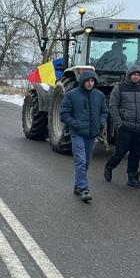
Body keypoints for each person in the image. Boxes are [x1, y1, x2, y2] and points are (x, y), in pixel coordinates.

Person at [104, 64, 140, 189]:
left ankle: (132, 178)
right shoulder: (119, 88)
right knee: (120, 152)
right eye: (134, 74)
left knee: (136, 153)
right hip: (125, 126)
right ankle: (109, 166)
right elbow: (112, 106)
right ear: (129, 75)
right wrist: (119, 124)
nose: (136, 77)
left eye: (138, 75)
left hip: (139, 127)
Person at [59, 70, 107, 202]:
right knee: (80, 160)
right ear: (82, 81)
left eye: (92, 81)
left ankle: (78, 185)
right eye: (87, 80)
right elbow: (64, 113)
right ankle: (84, 188)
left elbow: (104, 111)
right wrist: (74, 124)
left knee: (86, 163)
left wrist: (101, 123)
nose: (90, 83)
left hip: (92, 135)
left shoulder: (99, 96)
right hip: (78, 133)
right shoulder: (71, 95)